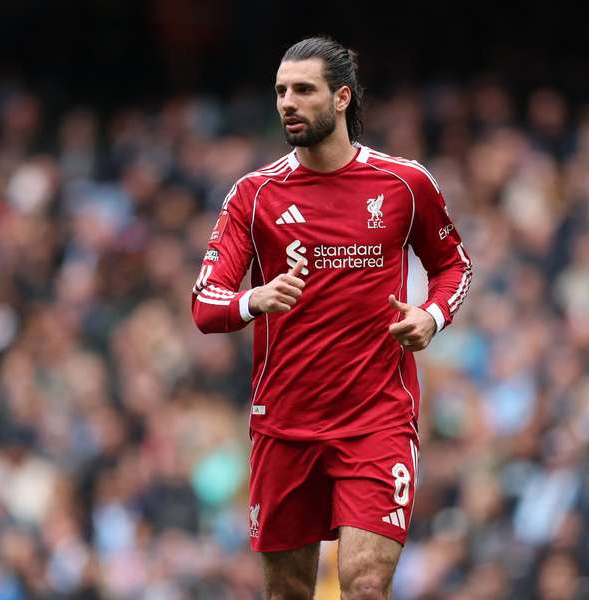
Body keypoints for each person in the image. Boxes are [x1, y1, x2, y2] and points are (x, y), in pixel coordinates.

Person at [191, 36, 472, 599]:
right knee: (288, 593)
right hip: (285, 425)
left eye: (303, 89)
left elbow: (454, 266)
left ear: (341, 97)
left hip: (376, 420)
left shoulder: (403, 184)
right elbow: (206, 304)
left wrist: (432, 317)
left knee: (364, 587)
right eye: (280, 91)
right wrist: (255, 299)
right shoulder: (255, 195)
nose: (287, 103)